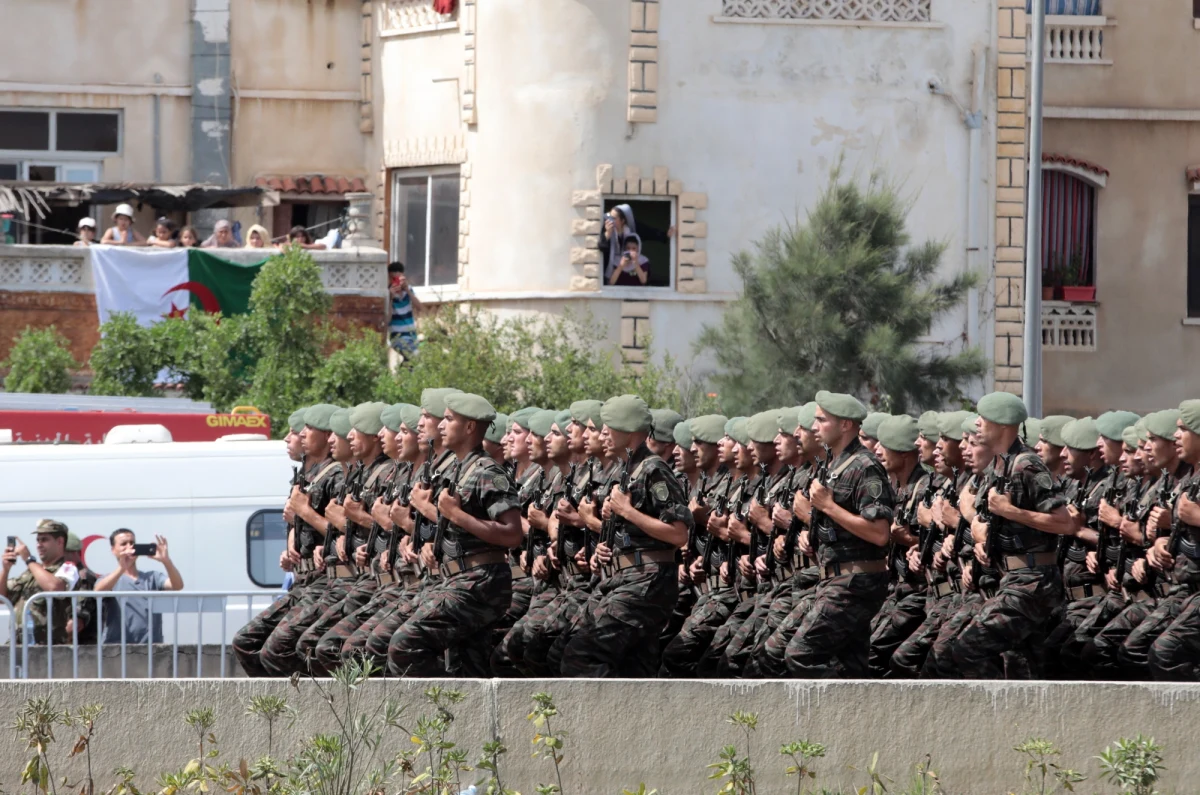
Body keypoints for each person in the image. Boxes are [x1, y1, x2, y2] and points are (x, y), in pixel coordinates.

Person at [388, 392, 523, 676]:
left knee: (404, 644)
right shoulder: (460, 469)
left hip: (481, 582)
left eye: (449, 419)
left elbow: (513, 534)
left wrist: (455, 514)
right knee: (467, 669)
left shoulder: (488, 471)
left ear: (470, 427)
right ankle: (456, 715)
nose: (441, 426)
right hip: (459, 578)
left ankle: (435, 709)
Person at [560, 395, 693, 677]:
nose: (602, 433)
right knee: (633, 670)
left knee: (581, 654)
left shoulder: (654, 470)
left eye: (610, 426)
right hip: (623, 578)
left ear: (630, 430)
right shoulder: (626, 471)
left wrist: (627, 511)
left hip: (647, 582)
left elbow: (679, 534)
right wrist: (606, 548)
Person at [950, 392, 1072, 679]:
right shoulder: (1001, 465)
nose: (977, 424)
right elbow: (988, 519)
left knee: (968, 647)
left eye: (984, 418)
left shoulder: (1026, 465)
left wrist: (1010, 511)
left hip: (1032, 582)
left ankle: (992, 720)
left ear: (1003, 424)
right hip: (1011, 577)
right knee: (1022, 669)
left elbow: (1063, 522)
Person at [94, 529, 183, 644]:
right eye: (123, 544)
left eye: (132, 543)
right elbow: (98, 591)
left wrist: (166, 561)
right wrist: (122, 568)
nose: (129, 547)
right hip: (115, 649)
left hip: (151, 650)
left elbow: (177, 585)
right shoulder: (108, 579)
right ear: (113, 550)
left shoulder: (153, 577)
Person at [0, 519, 81, 645]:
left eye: (44, 540)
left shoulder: (67, 568)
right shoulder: (31, 572)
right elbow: (2, 598)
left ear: (60, 541)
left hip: (47, 648)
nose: (39, 544)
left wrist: (28, 559)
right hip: (19, 646)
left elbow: (55, 587)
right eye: (38, 540)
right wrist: (5, 569)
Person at [387, 261, 421, 366]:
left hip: (411, 336)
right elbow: (387, 319)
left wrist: (407, 290)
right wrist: (390, 298)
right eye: (393, 279)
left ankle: (403, 377)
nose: (396, 282)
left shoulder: (408, 290)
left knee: (412, 362)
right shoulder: (387, 293)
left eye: (398, 279)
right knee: (414, 356)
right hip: (397, 337)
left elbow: (420, 307)